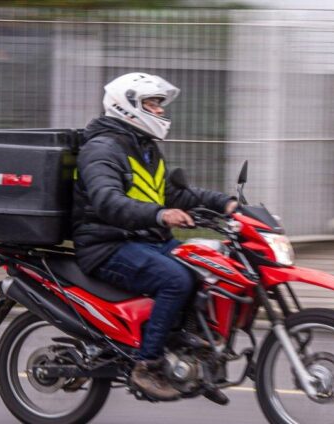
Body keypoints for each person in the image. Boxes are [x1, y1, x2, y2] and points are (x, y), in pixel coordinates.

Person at [72, 72, 237, 401]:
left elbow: (173, 195)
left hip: (144, 239)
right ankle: (147, 364)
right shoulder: (101, 149)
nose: (160, 111)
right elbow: (108, 202)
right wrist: (159, 215)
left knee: (208, 268)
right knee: (174, 280)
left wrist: (227, 203)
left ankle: (191, 355)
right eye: (152, 104)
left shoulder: (144, 148)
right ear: (127, 107)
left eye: (159, 105)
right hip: (107, 245)